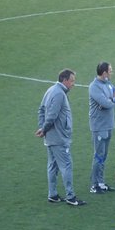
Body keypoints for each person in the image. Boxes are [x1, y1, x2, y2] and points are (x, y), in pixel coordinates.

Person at [35, 69, 86, 206]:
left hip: (51, 137)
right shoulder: (58, 94)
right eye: (72, 81)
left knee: (52, 166)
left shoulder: (50, 90)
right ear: (64, 80)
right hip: (58, 138)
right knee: (66, 166)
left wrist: (43, 128)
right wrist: (44, 129)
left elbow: (41, 110)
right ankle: (71, 196)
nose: (73, 84)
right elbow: (51, 115)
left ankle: (52, 194)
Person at [88, 62, 115, 194]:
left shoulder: (108, 84)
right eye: (110, 70)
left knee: (104, 155)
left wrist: (111, 99)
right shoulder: (94, 87)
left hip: (108, 124)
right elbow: (106, 103)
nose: (112, 72)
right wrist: (112, 100)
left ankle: (101, 182)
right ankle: (94, 185)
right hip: (99, 126)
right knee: (98, 155)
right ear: (104, 72)